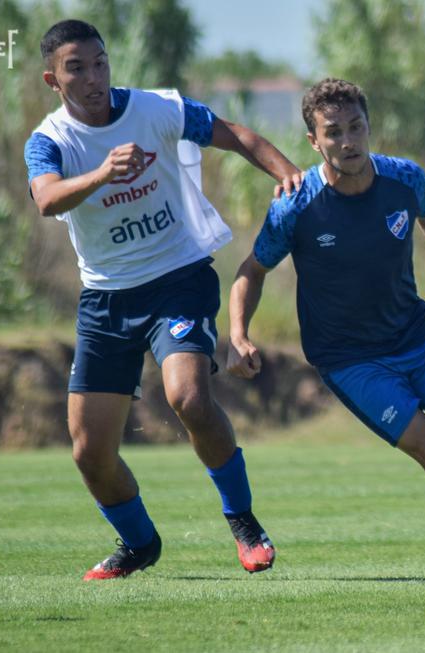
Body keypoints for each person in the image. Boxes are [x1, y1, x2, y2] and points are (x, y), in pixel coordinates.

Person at [23, 19, 301, 580]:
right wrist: (103, 172)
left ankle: (243, 521)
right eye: (77, 68)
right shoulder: (48, 141)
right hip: (105, 299)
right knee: (89, 452)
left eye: (100, 62)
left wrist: (291, 174)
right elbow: (47, 200)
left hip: (178, 279)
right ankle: (139, 543)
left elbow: (234, 134)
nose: (94, 77)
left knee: (189, 399)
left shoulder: (157, 109)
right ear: (53, 80)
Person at [227, 78, 425, 576]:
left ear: (368, 126)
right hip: (351, 360)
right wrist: (238, 334)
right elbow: (251, 271)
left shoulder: (404, 178)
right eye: (333, 132)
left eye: (355, 127)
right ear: (314, 141)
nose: (348, 141)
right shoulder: (295, 205)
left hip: (417, 338)